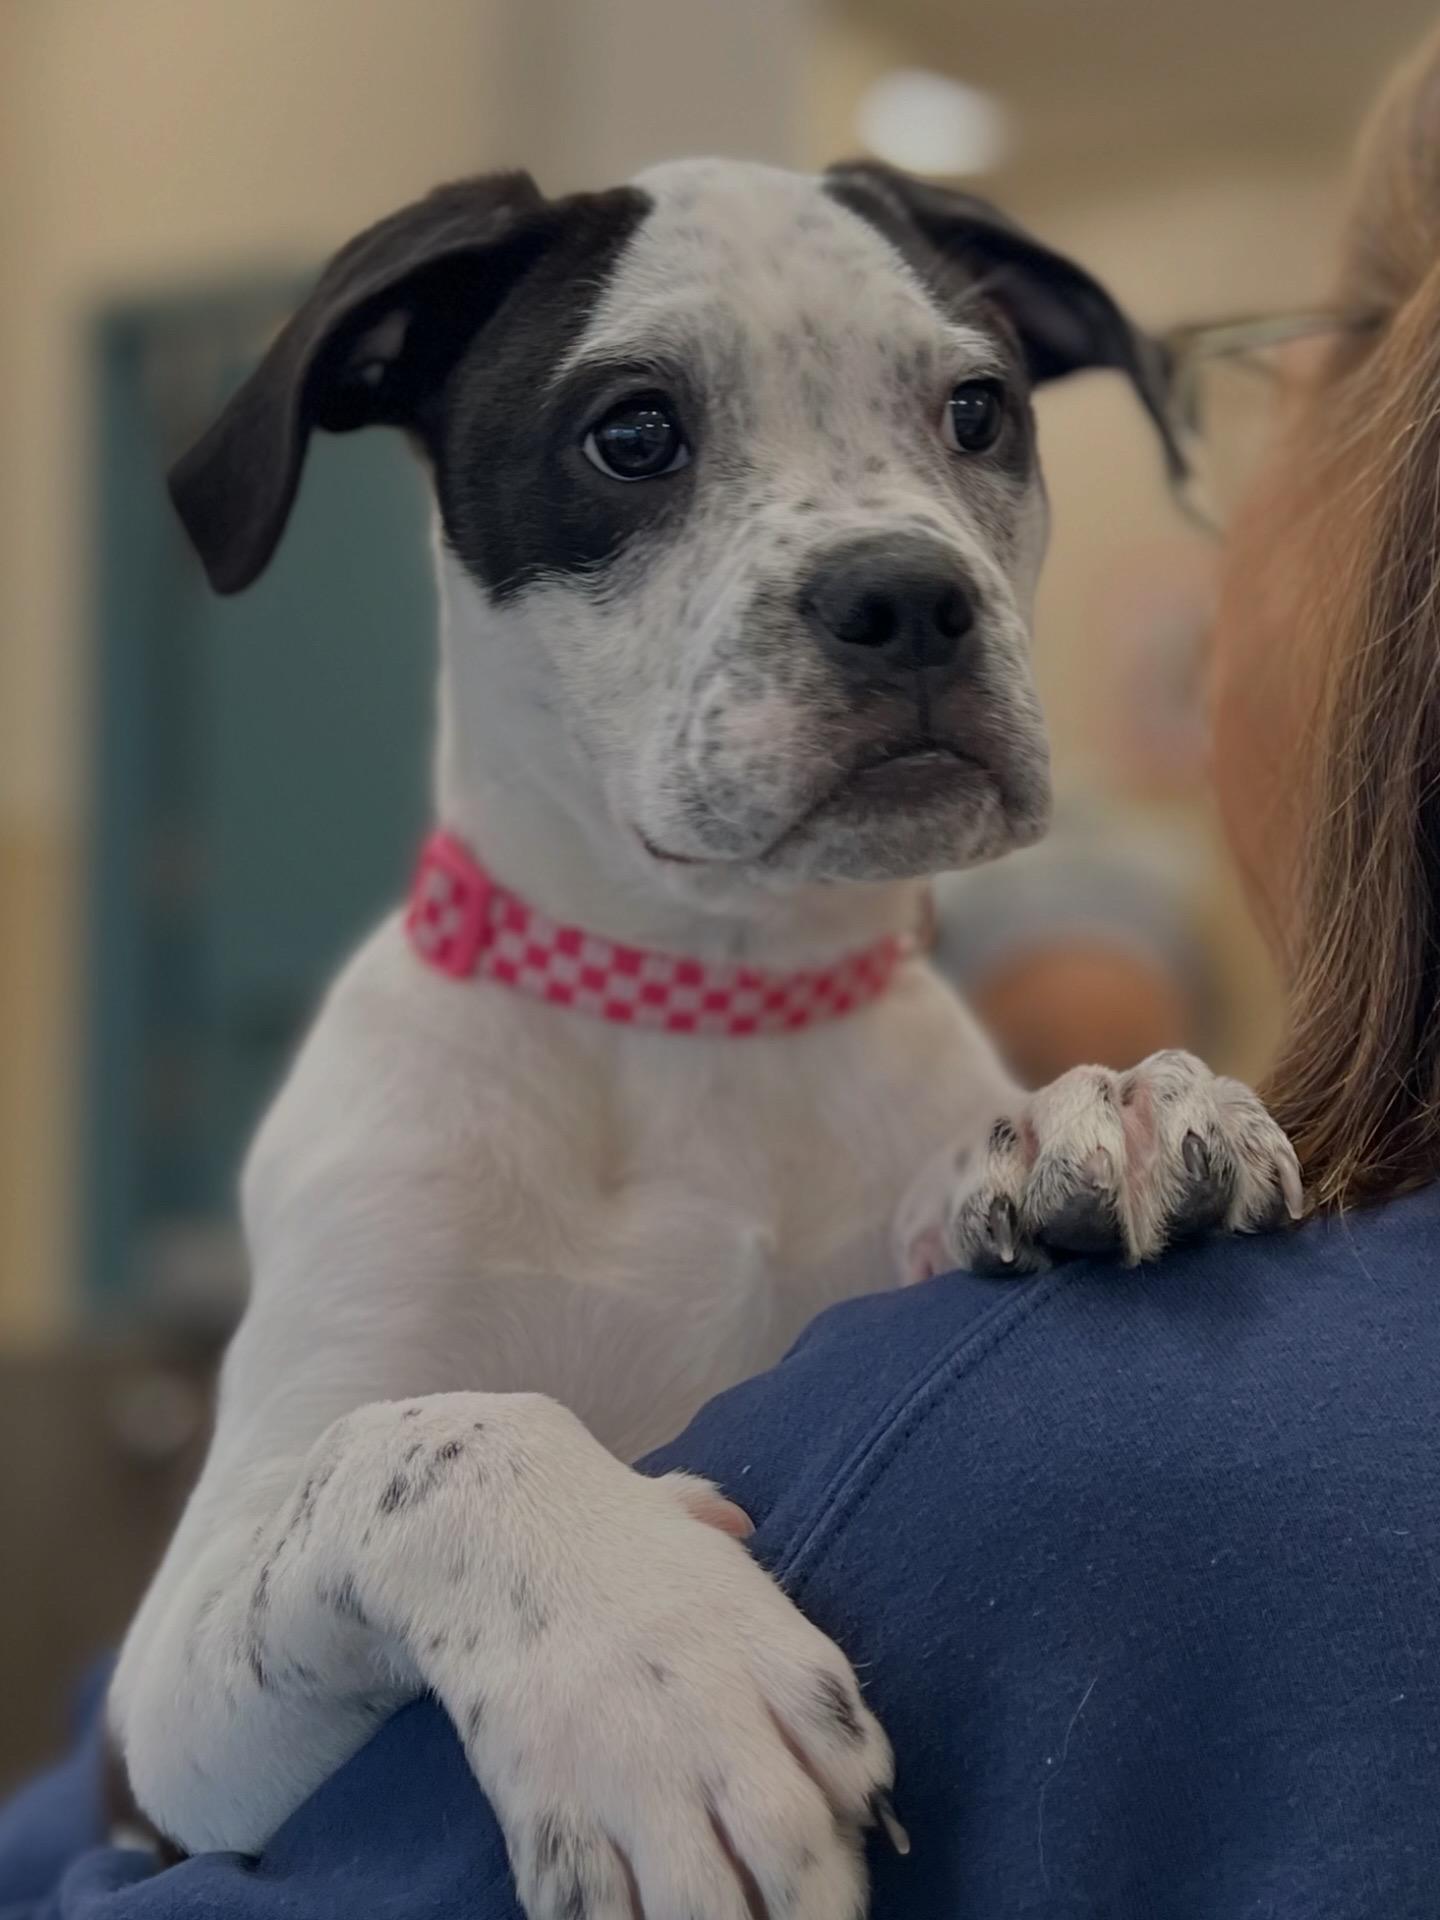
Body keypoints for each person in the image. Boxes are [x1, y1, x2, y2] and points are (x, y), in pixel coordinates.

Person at [10, 25, 1440, 1920]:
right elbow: (177, 1761)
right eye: (640, 437)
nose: (899, 560)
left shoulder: (965, 1118)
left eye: (969, 418)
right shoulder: (395, 1131)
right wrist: (451, 1507)